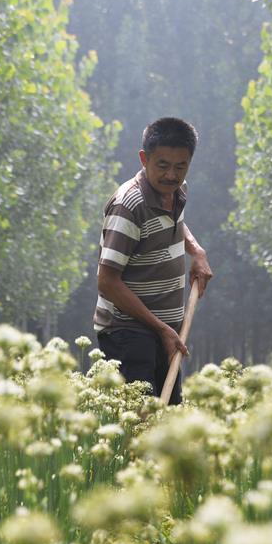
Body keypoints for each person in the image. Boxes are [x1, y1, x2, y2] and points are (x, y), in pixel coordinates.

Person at [94, 117, 213, 404]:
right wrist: (161, 329)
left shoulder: (175, 191)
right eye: (162, 165)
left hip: (166, 333)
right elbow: (107, 282)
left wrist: (196, 251)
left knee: (166, 430)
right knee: (139, 428)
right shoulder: (128, 206)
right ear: (144, 159)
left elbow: (173, 224)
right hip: (128, 333)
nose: (171, 175)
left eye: (180, 166)